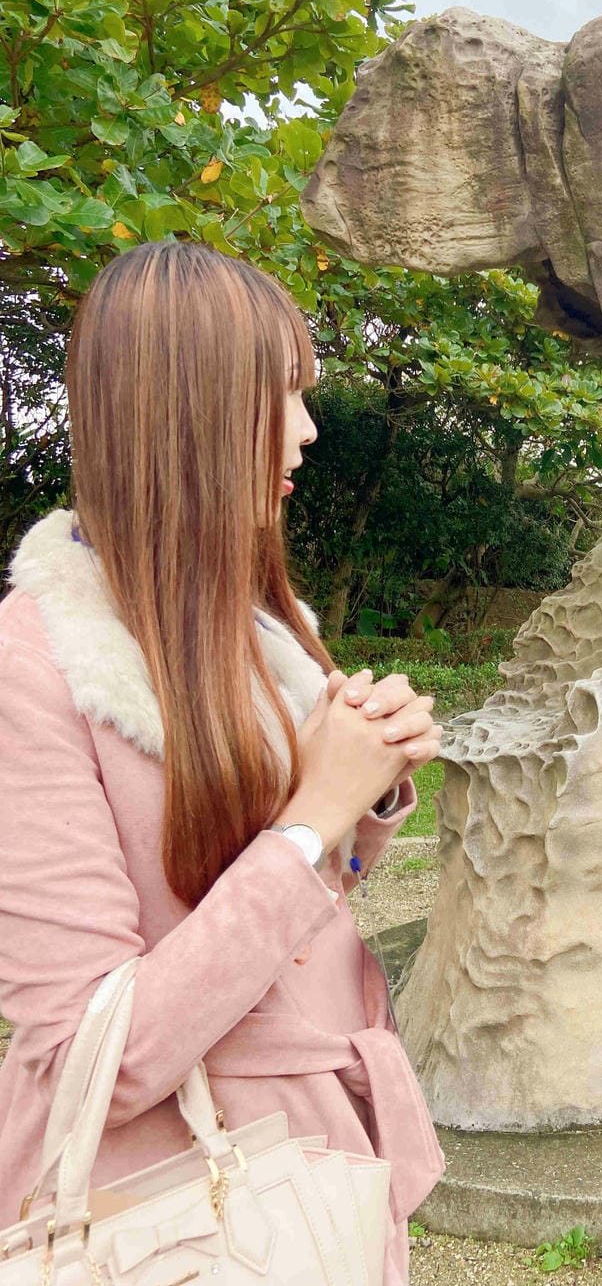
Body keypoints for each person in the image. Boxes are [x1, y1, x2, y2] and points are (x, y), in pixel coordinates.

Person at [0, 242, 445, 1283]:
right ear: (186, 413)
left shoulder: (255, 624)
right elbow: (88, 1061)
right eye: (279, 396)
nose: (307, 429)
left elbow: (287, 912)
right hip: (180, 1202)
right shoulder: (37, 663)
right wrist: (311, 816)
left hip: (322, 1156)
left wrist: (360, 789)